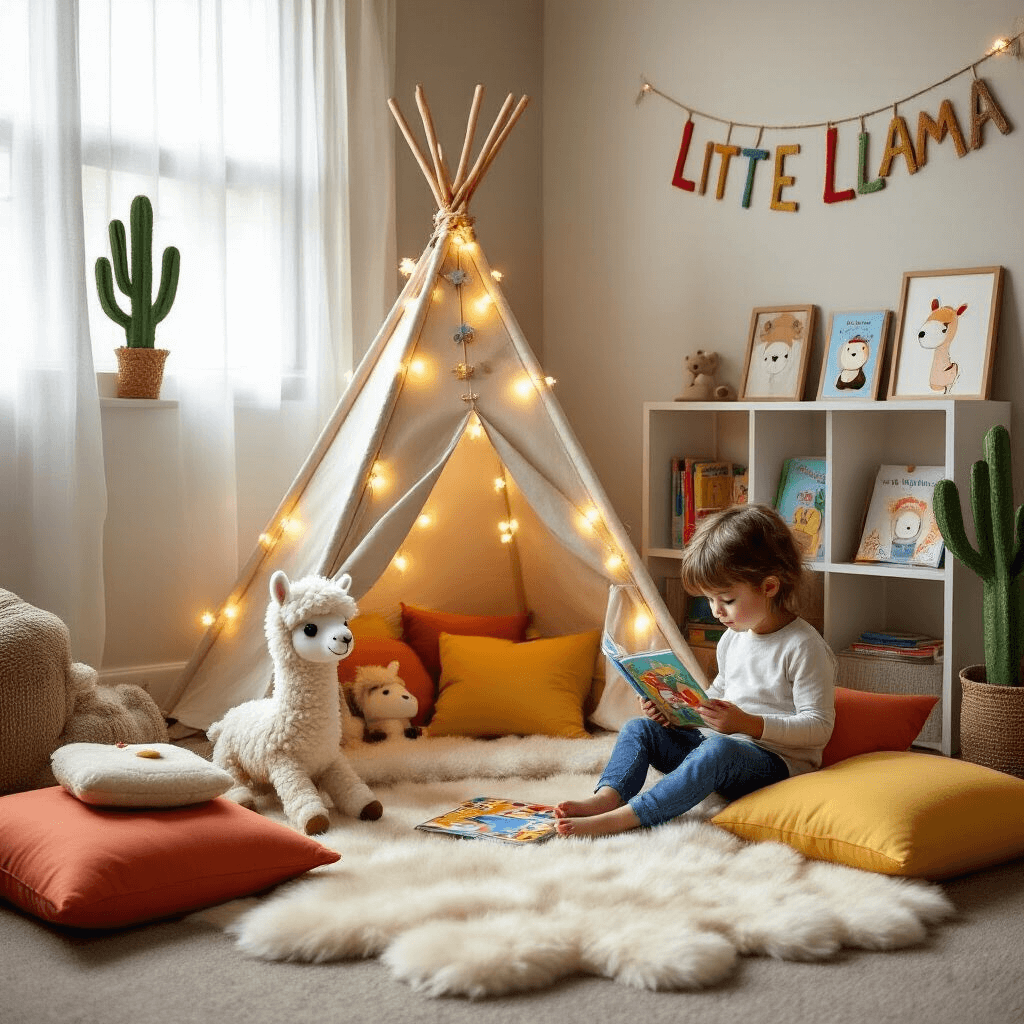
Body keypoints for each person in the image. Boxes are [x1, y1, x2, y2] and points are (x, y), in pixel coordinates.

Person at [555, 503, 836, 838]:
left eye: (727, 600)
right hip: (717, 747)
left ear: (769, 587)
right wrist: (677, 711)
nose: (717, 611)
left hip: (773, 764)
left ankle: (631, 817)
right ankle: (607, 797)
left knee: (719, 750)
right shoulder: (733, 638)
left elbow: (819, 728)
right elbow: (717, 696)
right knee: (638, 728)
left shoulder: (803, 646)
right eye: (710, 600)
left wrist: (747, 724)